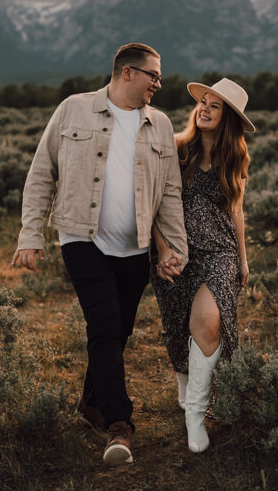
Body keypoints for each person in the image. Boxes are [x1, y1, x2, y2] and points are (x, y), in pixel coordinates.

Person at [11, 42, 187, 466]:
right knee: (105, 324)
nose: (158, 85)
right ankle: (118, 425)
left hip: (135, 248)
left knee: (118, 331)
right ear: (127, 73)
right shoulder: (73, 109)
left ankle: (91, 402)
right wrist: (29, 234)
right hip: (81, 237)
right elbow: (41, 172)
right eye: (153, 76)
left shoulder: (160, 125)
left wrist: (175, 249)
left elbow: (170, 194)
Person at [150, 77, 253, 453]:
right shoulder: (177, 150)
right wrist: (161, 248)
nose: (204, 109)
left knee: (208, 321)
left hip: (220, 253)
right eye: (203, 103)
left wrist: (242, 259)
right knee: (179, 326)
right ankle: (187, 388)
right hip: (177, 253)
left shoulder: (234, 156)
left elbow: (236, 209)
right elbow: (154, 203)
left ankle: (195, 415)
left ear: (227, 118)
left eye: (215, 106)